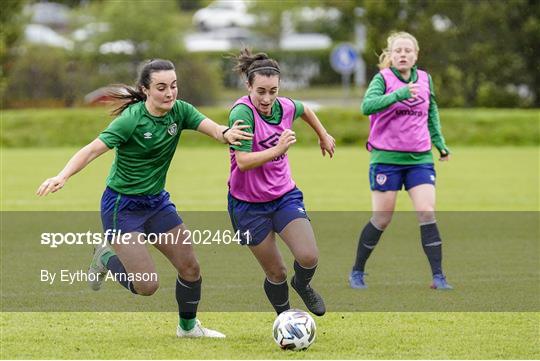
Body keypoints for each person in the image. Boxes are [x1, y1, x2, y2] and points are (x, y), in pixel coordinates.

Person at [36, 59, 253, 337]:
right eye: (161, 87)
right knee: (146, 286)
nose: (169, 93)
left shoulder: (181, 111)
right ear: (145, 89)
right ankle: (105, 257)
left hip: (157, 203)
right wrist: (62, 176)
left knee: (190, 267)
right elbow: (91, 150)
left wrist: (227, 133)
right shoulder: (131, 120)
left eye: (173, 86)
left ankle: (188, 329)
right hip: (122, 207)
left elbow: (211, 127)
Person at [227, 49, 336, 316]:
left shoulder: (284, 106)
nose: (267, 98)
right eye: (260, 91)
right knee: (276, 272)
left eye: (273, 91)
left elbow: (305, 109)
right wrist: (277, 150)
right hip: (247, 205)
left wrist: (323, 134)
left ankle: (302, 284)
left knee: (308, 256)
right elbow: (242, 161)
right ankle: (286, 318)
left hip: (284, 196)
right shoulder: (241, 114)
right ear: (248, 86)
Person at [349, 32, 453, 290]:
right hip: (386, 159)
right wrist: (399, 94)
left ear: (416, 55)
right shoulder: (382, 79)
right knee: (382, 217)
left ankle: (438, 277)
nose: (403, 54)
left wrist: (440, 143)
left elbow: (432, 114)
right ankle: (357, 272)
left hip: (420, 158)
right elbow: (367, 106)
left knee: (427, 212)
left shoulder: (426, 79)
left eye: (408, 50)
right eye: (398, 51)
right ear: (391, 56)